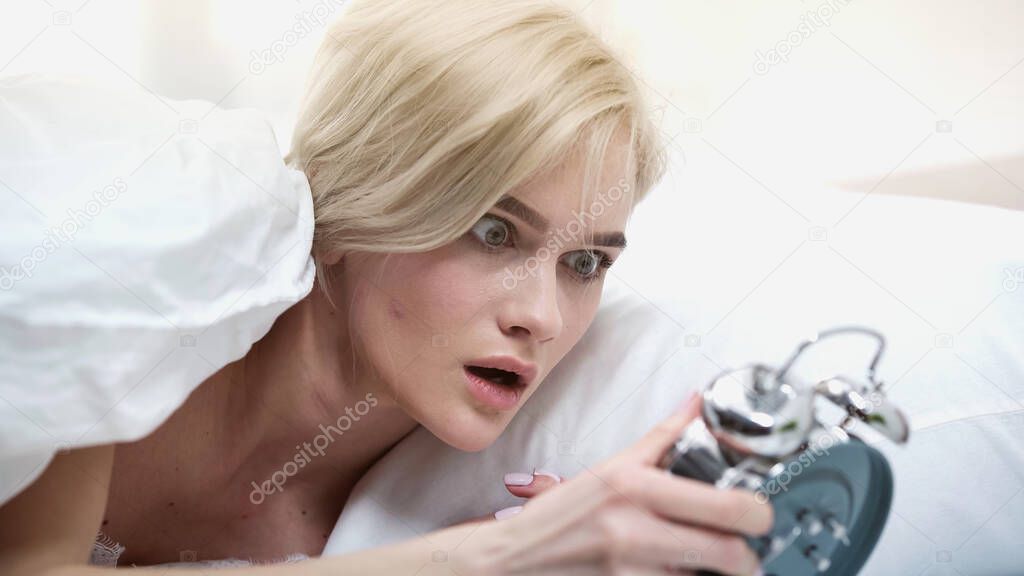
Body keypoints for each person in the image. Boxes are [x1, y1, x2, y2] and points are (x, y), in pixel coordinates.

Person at [0, 0, 771, 573]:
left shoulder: (406, 518)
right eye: (495, 231)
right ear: (345, 210)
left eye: (586, 264)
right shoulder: (126, 279)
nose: (541, 317)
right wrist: (488, 555)